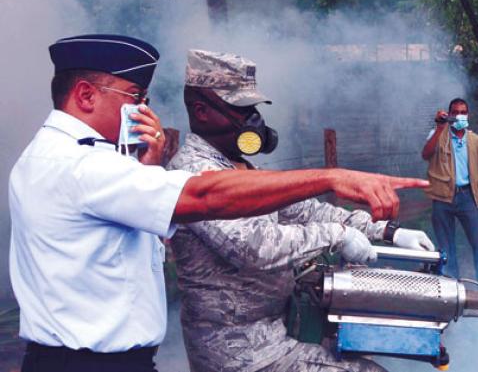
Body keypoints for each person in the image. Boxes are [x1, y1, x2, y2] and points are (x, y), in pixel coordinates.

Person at [8, 35, 427, 372]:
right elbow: (226, 217)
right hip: (223, 353)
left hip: (125, 358)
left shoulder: (80, 159)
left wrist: (386, 230)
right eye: (136, 97)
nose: (142, 110)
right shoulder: (82, 165)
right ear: (85, 95)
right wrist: (335, 201)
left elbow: (299, 207)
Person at [167, 49, 434, 372]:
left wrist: (388, 231)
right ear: (202, 112)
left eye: (252, 107)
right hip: (240, 354)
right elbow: (255, 247)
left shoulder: (238, 166)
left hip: (275, 333)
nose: (252, 119)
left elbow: (304, 210)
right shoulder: (192, 174)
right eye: (240, 108)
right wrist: (337, 237)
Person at [421, 98, 478, 281]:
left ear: (468, 115)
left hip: (467, 197)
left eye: (463, 112)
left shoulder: (475, 140)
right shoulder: (438, 134)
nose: (459, 116)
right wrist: (439, 128)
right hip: (442, 197)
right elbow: (425, 154)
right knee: (446, 248)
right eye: (455, 112)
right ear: (449, 115)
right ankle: (452, 286)